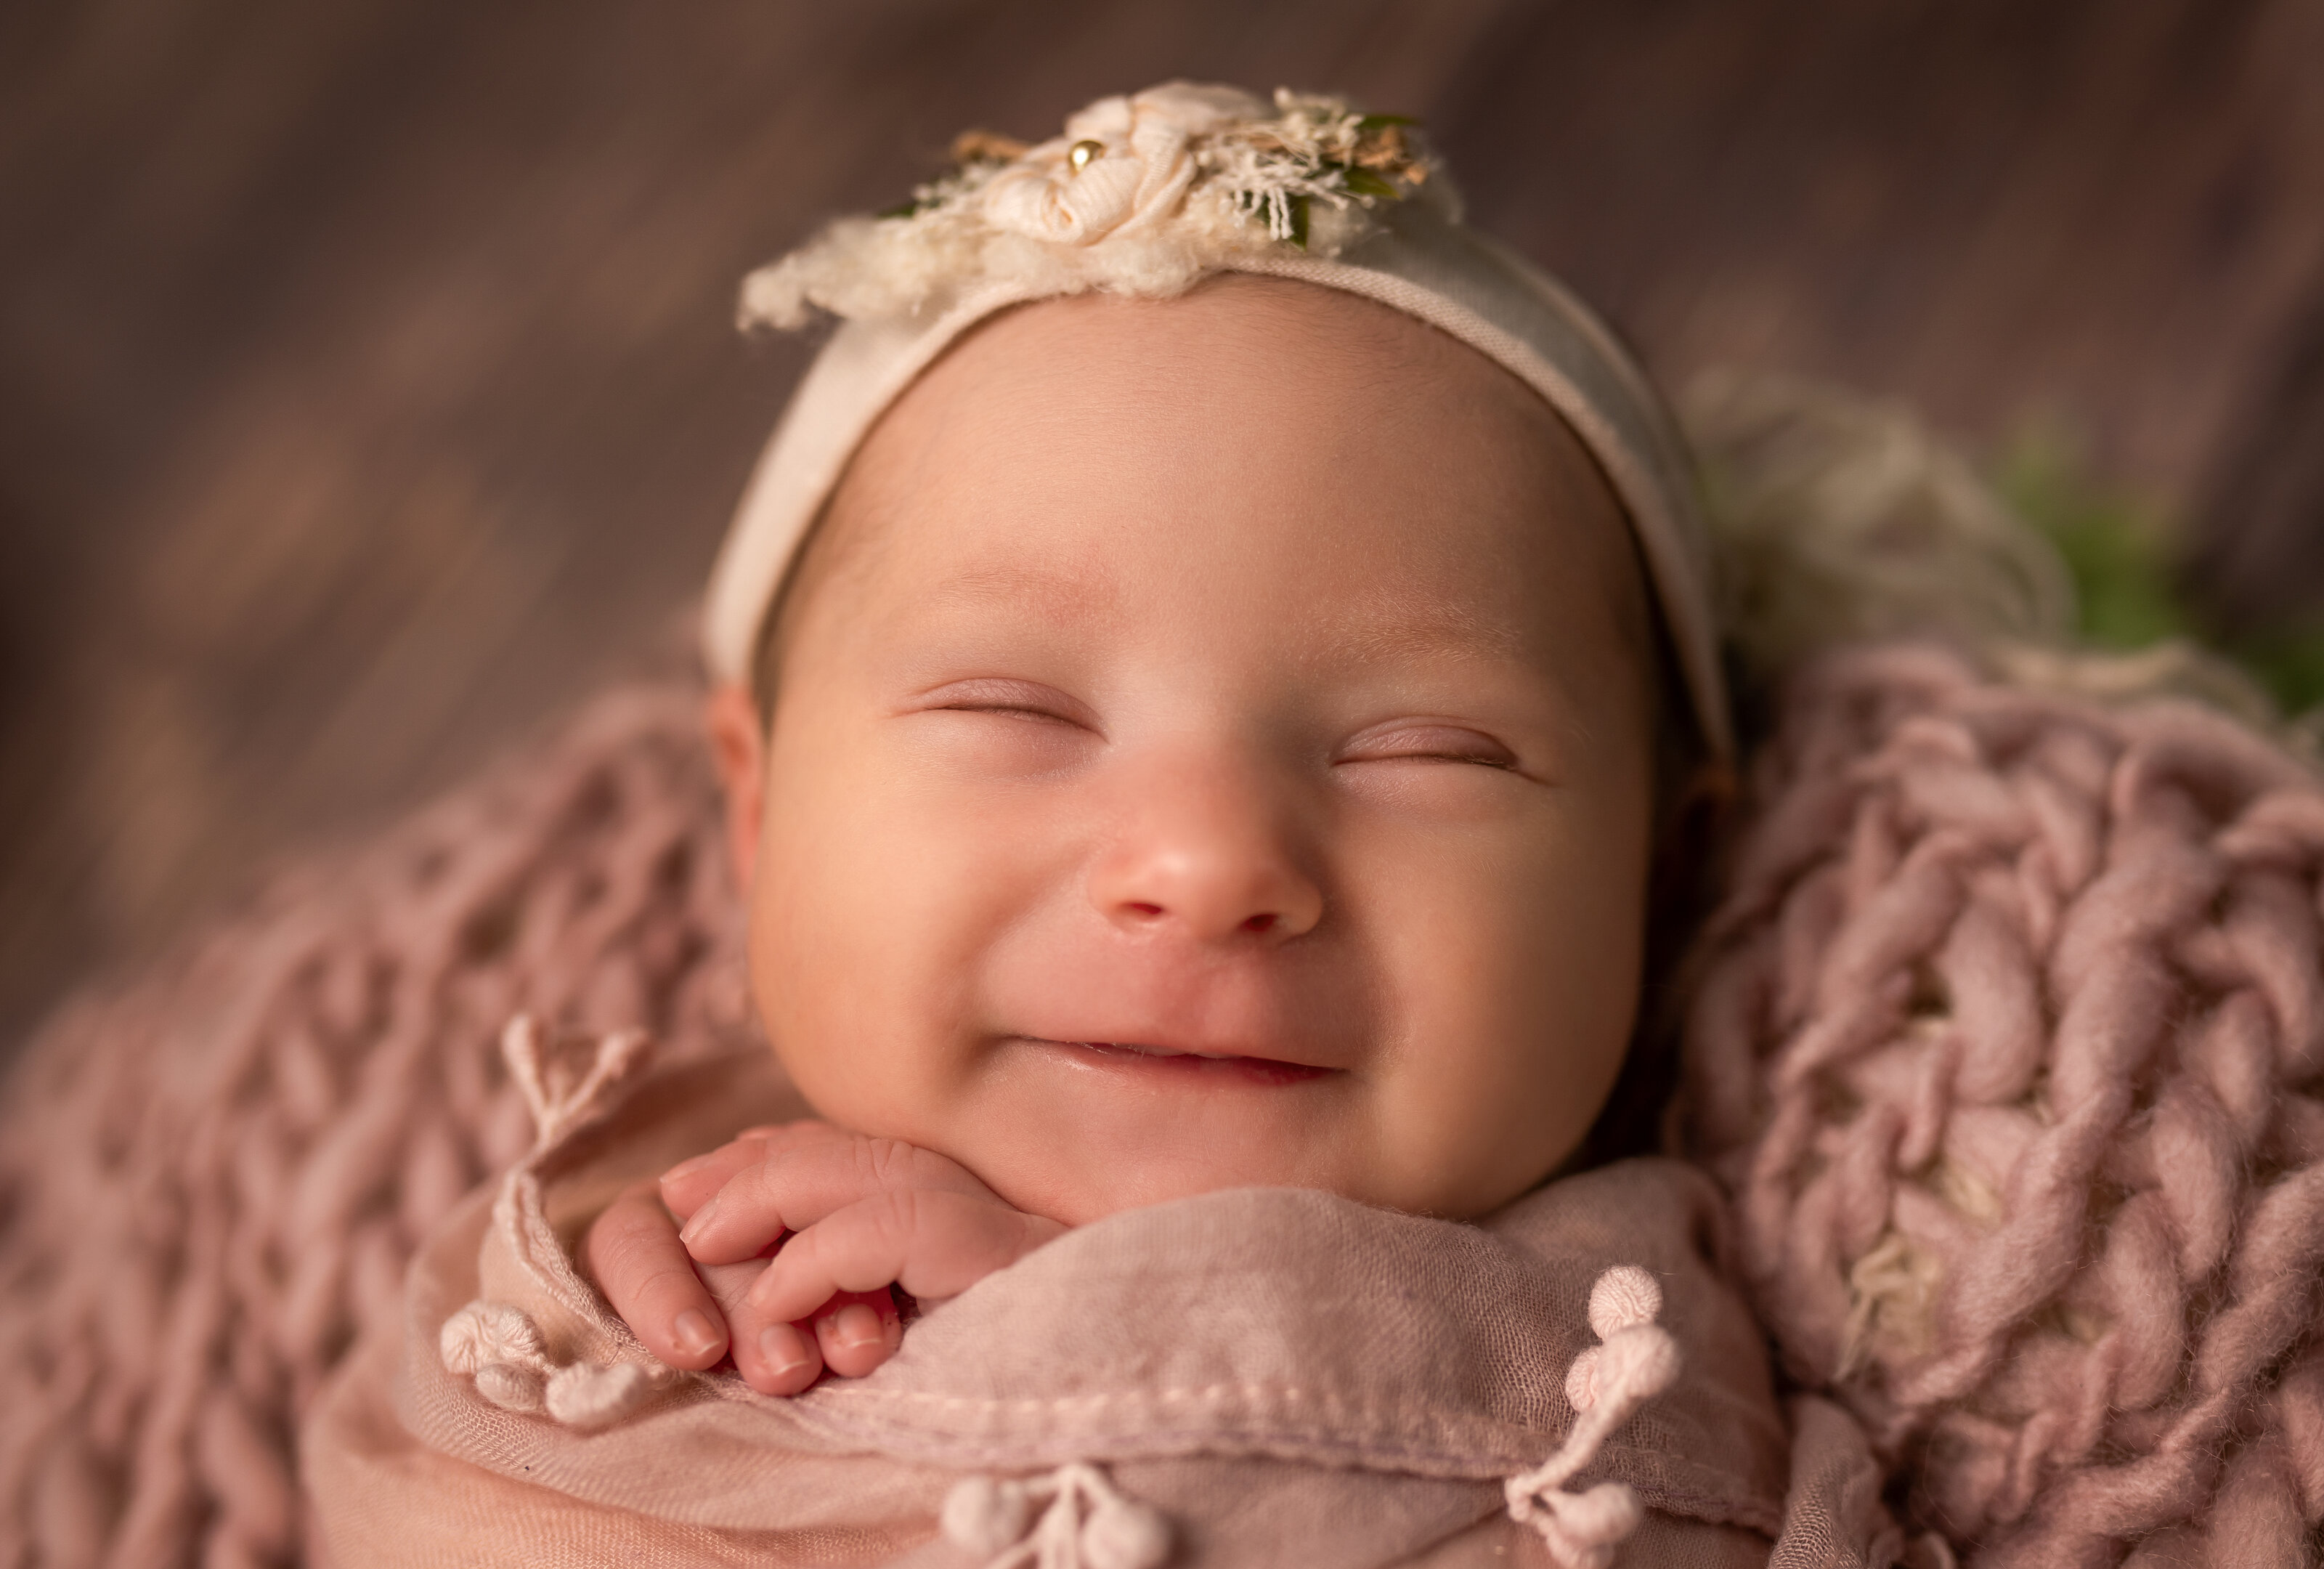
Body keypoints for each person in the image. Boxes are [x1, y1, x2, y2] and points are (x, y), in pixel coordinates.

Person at [302, 83, 1910, 1567]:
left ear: (1661, 868)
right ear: (758, 804)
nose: (1207, 867)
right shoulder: (630, 1222)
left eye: (1429, 747)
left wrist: (1083, 1348)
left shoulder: (1619, 1334)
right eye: (1015, 715)